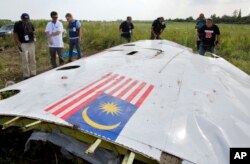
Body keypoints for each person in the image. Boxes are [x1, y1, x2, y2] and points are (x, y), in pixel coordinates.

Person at [13, 13, 36, 79]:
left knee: (32, 58)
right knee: (25, 59)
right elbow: (15, 34)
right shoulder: (17, 24)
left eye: (27, 19)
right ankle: (26, 75)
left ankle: (33, 73)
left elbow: (33, 32)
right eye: (24, 20)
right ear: (21, 19)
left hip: (31, 43)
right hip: (23, 43)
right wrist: (18, 43)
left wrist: (34, 38)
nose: (26, 21)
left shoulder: (30, 23)